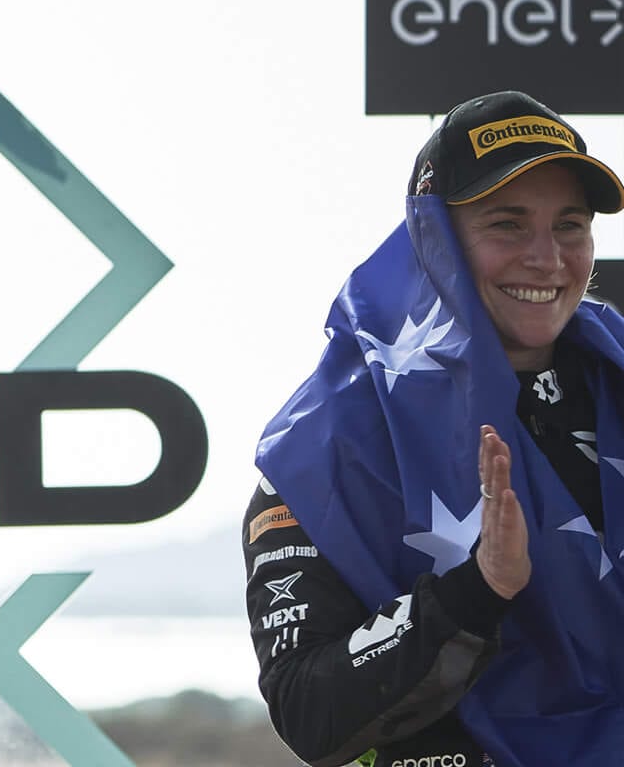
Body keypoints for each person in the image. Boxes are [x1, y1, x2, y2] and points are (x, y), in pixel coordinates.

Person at [251, 90, 624, 766]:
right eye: (508, 224)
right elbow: (308, 711)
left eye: (570, 225)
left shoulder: (616, 377)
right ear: (435, 237)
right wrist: (477, 590)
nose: (546, 258)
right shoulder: (332, 439)